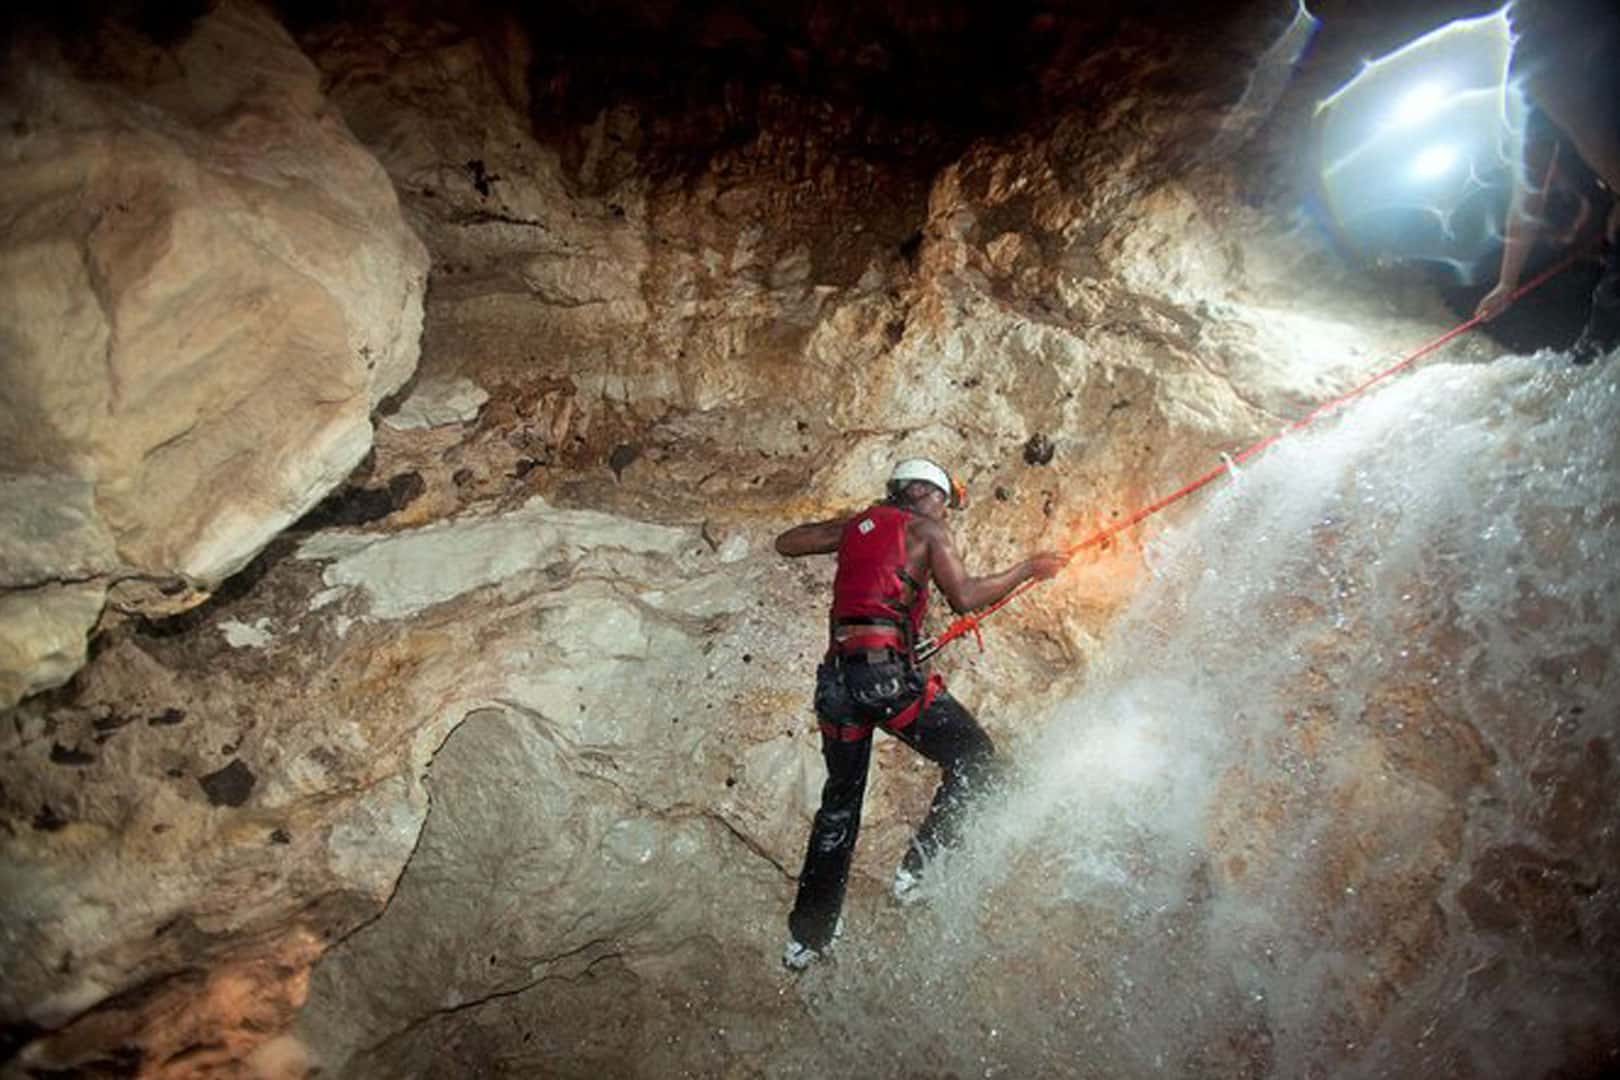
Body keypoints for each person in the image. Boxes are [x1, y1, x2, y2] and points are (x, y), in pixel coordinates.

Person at [773, 457, 1065, 969]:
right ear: (920, 492)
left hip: (838, 685)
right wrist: (1028, 570)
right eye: (943, 500)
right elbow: (965, 597)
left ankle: (808, 937)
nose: (945, 512)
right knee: (976, 757)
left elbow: (788, 542)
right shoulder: (926, 530)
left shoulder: (857, 526)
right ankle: (918, 872)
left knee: (839, 806)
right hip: (886, 681)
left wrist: (852, 529)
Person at [1475, 0, 1620, 362]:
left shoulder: (1584, 53)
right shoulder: (1537, 83)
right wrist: (1507, 282)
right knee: (1598, 352)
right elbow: (1528, 195)